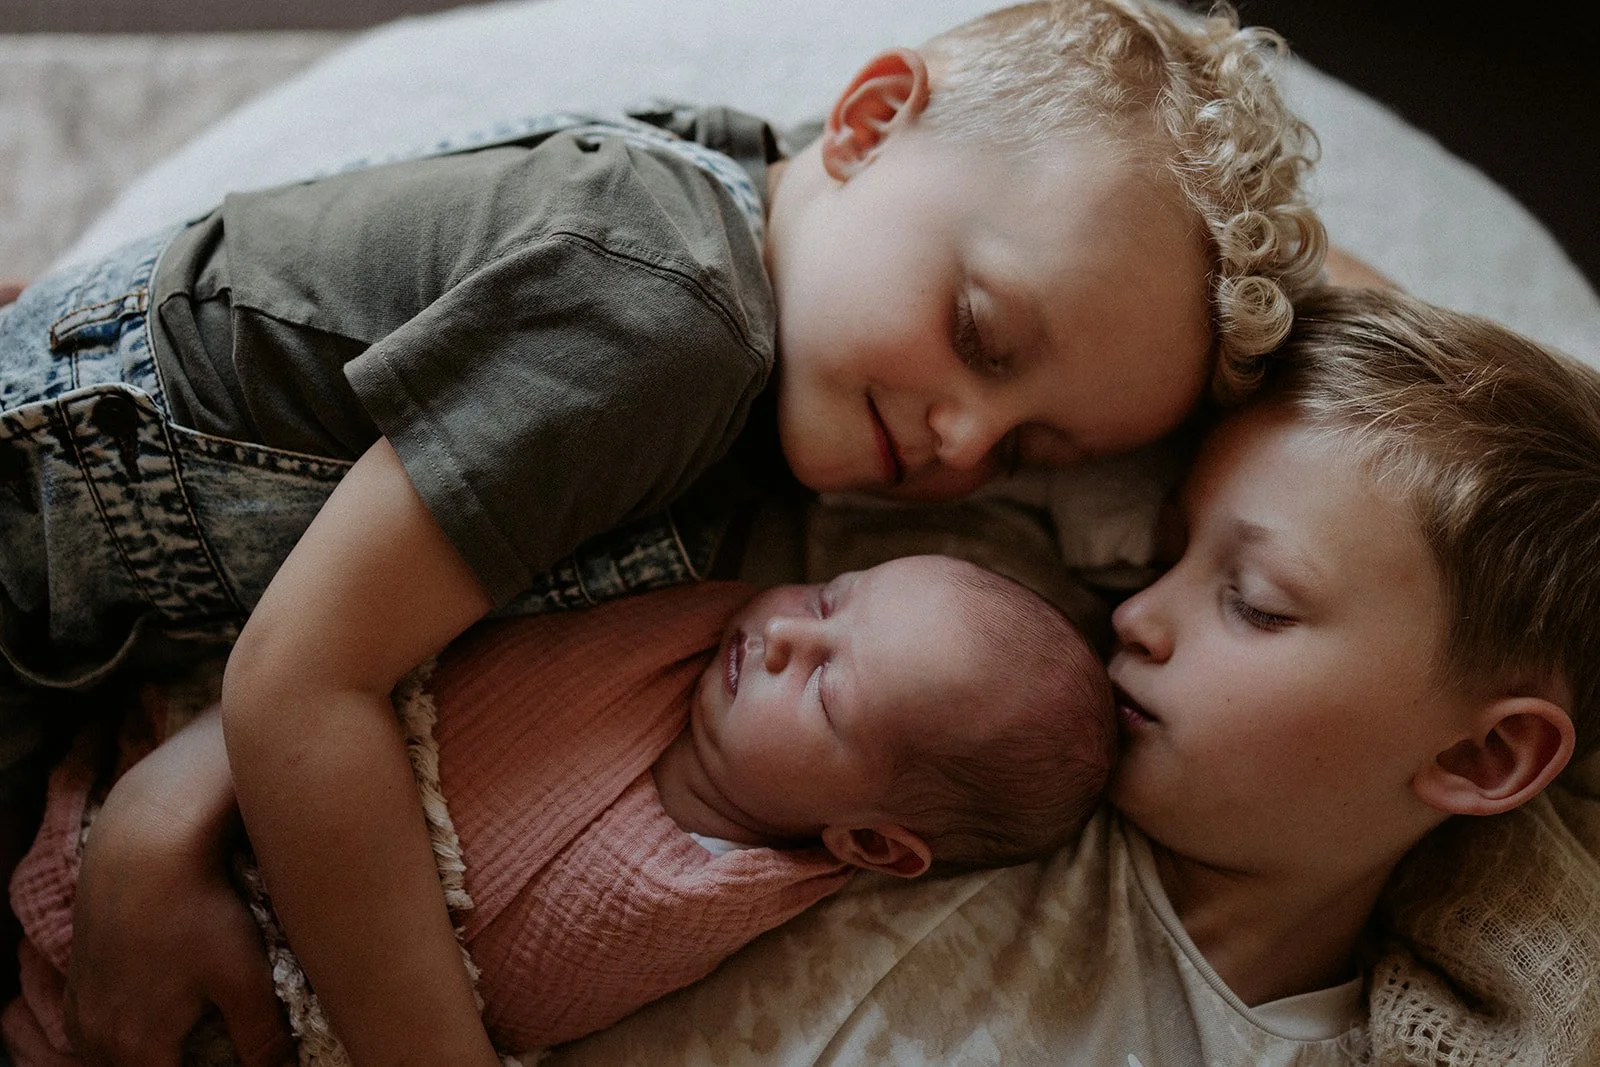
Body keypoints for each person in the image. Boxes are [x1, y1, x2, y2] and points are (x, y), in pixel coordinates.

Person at [0, 1, 1324, 1062]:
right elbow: (305, 677)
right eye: (981, 333)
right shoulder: (667, 318)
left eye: (1034, 449)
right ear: (864, 123)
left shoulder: (789, 224)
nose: (965, 441)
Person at [574, 284, 1596, 1064]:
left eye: (1254, 600)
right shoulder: (978, 712)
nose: (1136, 612)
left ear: (1482, 750)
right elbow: (1108, 266)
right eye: (1161, 552)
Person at [6, 554, 1115, 1061]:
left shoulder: (727, 895)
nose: (784, 632)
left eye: (825, 683)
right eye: (829, 598)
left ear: (870, 838)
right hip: (164, 823)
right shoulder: (673, 615)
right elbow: (382, 659)